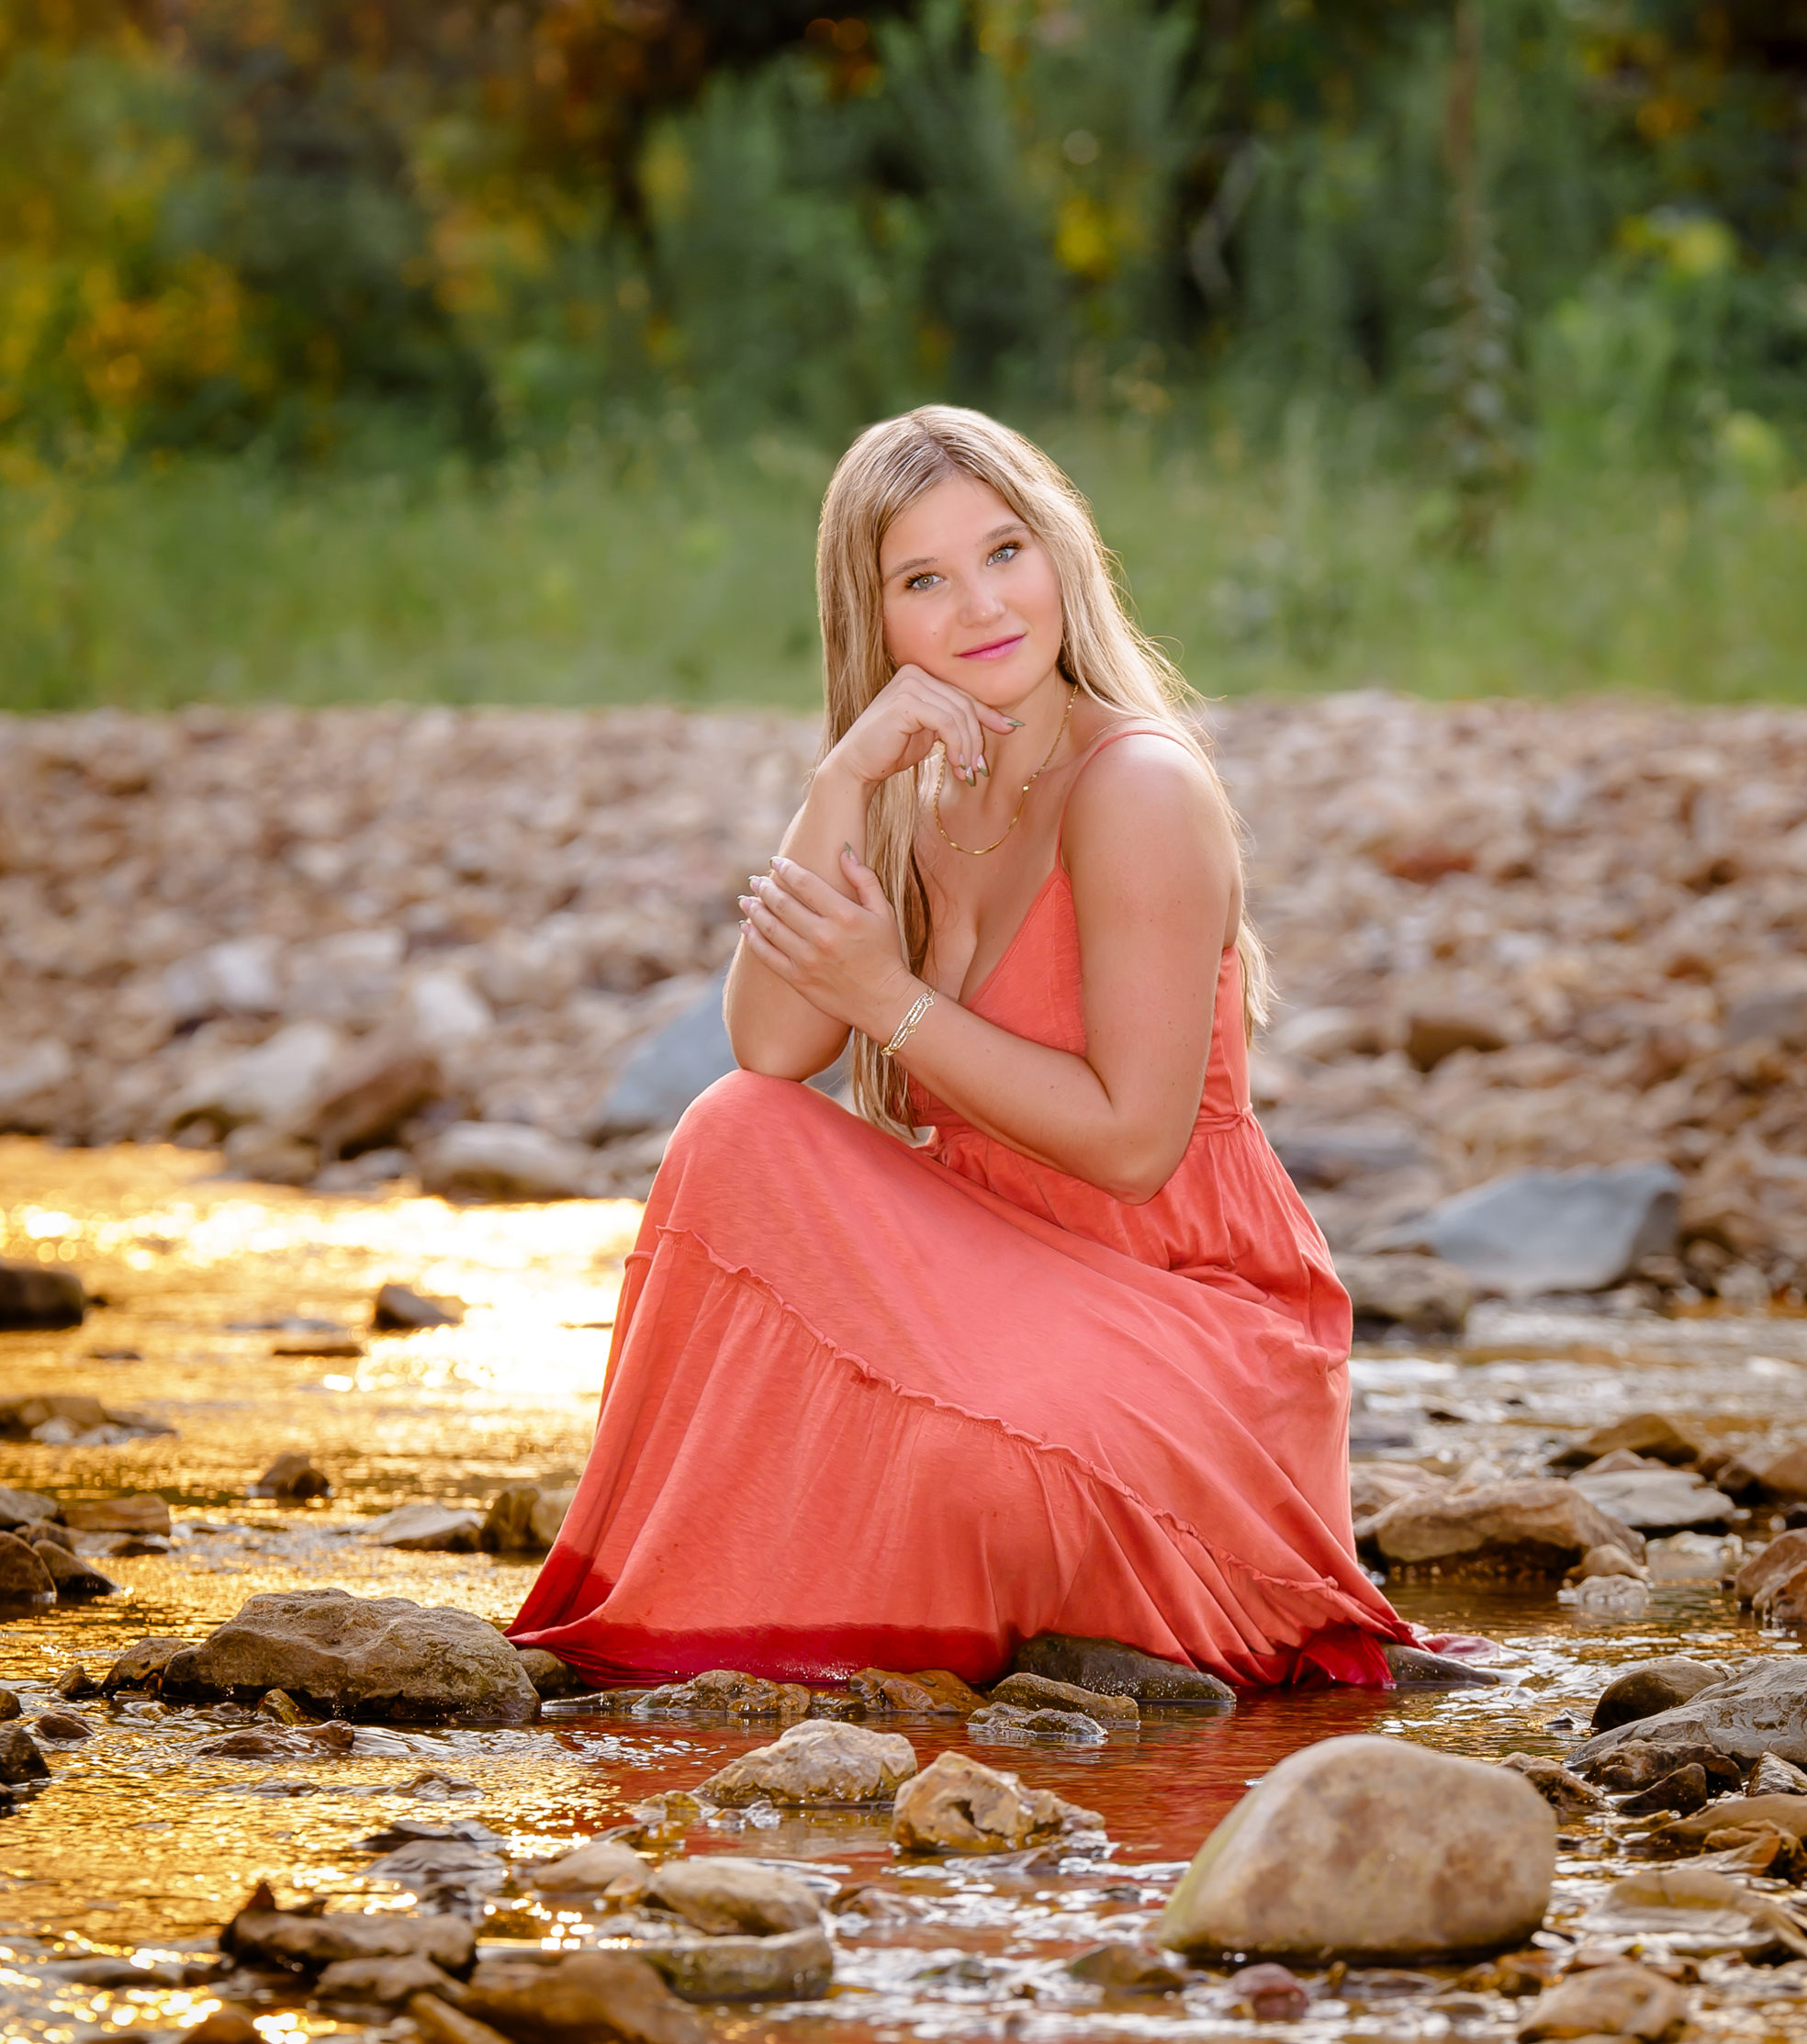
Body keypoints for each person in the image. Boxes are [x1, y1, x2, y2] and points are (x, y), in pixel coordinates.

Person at [511, 404, 1417, 1690]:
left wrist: (889, 999)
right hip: (990, 1271)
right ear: (874, 623)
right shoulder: (922, 789)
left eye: (1004, 552)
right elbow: (769, 1047)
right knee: (731, 1130)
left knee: (972, 1478)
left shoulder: (1136, 786)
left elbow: (1132, 1141)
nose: (979, 605)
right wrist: (843, 781)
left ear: (1060, 554)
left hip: (1180, 1304)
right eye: (923, 581)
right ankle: (698, 1643)